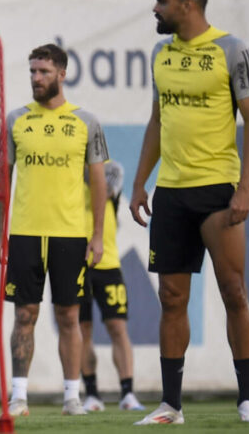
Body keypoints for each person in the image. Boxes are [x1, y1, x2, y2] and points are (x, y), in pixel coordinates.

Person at [129, 0, 249, 425]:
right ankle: (171, 405)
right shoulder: (160, 54)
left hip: (217, 190)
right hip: (171, 191)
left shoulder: (232, 50)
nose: (156, 8)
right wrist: (138, 183)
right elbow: (156, 122)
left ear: (188, 5)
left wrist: (245, 187)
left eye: (162, 2)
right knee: (171, 297)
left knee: (234, 291)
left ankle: (246, 399)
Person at [0, 43, 109, 417]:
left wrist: (98, 235)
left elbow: (98, 184)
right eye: (31, 71)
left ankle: (72, 397)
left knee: (69, 317)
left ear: (62, 73)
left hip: (70, 235)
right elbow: (1, 181)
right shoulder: (15, 120)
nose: (35, 78)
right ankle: (19, 398)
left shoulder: (86, 122)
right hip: (25, 233)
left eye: (42, 71)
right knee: (24, 315)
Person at [79, 160, 145, 413]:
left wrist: (83, 167)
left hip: (108, 262)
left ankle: (128, 393)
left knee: (118, 327)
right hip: (77, 263)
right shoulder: (70, 169)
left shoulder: (108, 168)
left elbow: (106, 186)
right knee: (82, 330)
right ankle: (92, 394)